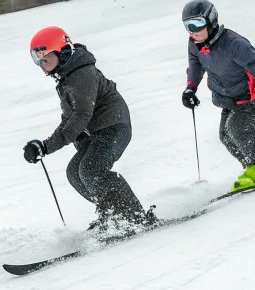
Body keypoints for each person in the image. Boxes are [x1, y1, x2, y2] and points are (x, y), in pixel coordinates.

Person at [22, 26, 155, 237]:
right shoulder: (66, 77)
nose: (43, 67)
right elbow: (68, 120)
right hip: (97, 133)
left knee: (91, 169)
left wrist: (47, 147)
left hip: (114, 127)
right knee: (74, 172)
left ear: (60, 51)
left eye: (44, 60)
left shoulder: (82, 74)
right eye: (39, 63)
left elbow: (80, 116)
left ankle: (135, 217)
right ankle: (111, 212)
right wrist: (44, 146)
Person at [181, 0, 255, 192]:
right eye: (188, 25)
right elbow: (195, 66)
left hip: (248, 97)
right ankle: (254, 167)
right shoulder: (195, 44)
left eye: (197, 23)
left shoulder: (234, 43)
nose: (192, 31)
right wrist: (190, 88)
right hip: (226, 99)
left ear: (210, 20)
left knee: (238, 129)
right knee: (225, 136)